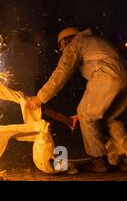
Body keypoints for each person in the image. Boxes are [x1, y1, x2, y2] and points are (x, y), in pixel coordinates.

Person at [28, 27, 127, 172]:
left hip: (106, 74)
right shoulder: (95, 42)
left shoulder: (76, 44)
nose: (62, 50)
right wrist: (80, 116)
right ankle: (124, 156)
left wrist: (41, 97)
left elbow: (62, 72)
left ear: (65, 41)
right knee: (110, 119)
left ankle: (98, 160)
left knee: (86, 113)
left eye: (61, 46)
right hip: (123, 77)